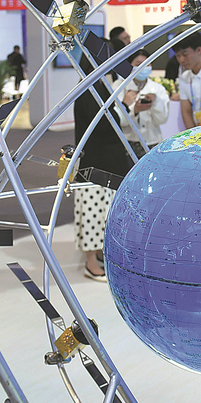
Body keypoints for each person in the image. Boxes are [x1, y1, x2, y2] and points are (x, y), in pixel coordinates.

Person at [72, 41, 133, 281]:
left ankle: (98, 253)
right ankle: (90, 263)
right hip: (96, 162)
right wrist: (125, 106)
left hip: (105, 160)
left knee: (102, 211)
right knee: (92, 212)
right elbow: (105, 122)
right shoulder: (90, 88)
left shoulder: (98, 85)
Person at [118, 49, 171, 150]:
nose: (143, 67)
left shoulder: (157, 89)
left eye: (147, 64)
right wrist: (134, 110)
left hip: (153, 142)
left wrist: (155, 102)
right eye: (138, 64)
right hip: (128, 143)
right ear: (130, 65)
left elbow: (162, 119)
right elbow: (118, 120)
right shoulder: (119, 87)